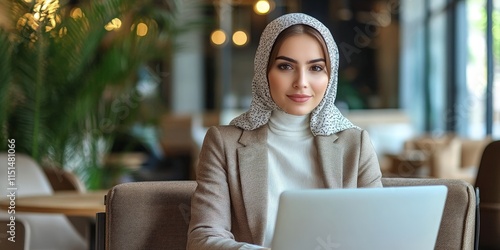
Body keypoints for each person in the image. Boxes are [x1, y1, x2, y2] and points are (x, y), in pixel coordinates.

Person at [187, 13, 382, 250]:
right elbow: (202, 238)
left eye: (316, 68)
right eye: (286, 66)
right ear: (264, 71)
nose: (301, 81)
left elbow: (375, 234)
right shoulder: (224, 142)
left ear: (330, 76)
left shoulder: (356, 144)